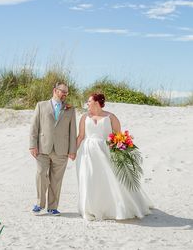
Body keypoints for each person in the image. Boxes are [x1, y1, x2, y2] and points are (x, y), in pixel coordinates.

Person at [76, 93, 153, 221]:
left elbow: (118, 137)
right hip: (87, 153)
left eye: (89, 101)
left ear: (96, 103)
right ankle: (91, 208)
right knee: (89, 178)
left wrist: (121, 154)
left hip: (106, 152)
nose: (87, 104)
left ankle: (115, 207)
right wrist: (73, 151)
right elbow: (80, 136)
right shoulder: (84, 117)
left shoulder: (111, 117)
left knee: (111, 178)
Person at [29, 82, 77, 216]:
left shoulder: (70, 109)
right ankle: (39, 204)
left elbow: (73, 131)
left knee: (56, 180)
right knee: (41, 175)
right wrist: (32, 145)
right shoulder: (41, 105)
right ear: (55, 90)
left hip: (62, 150)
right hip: (43, 148)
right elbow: (34, 127)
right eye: (63, 92)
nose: (65, 95)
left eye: (67, 93)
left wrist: (72, 150)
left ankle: (52, 207)